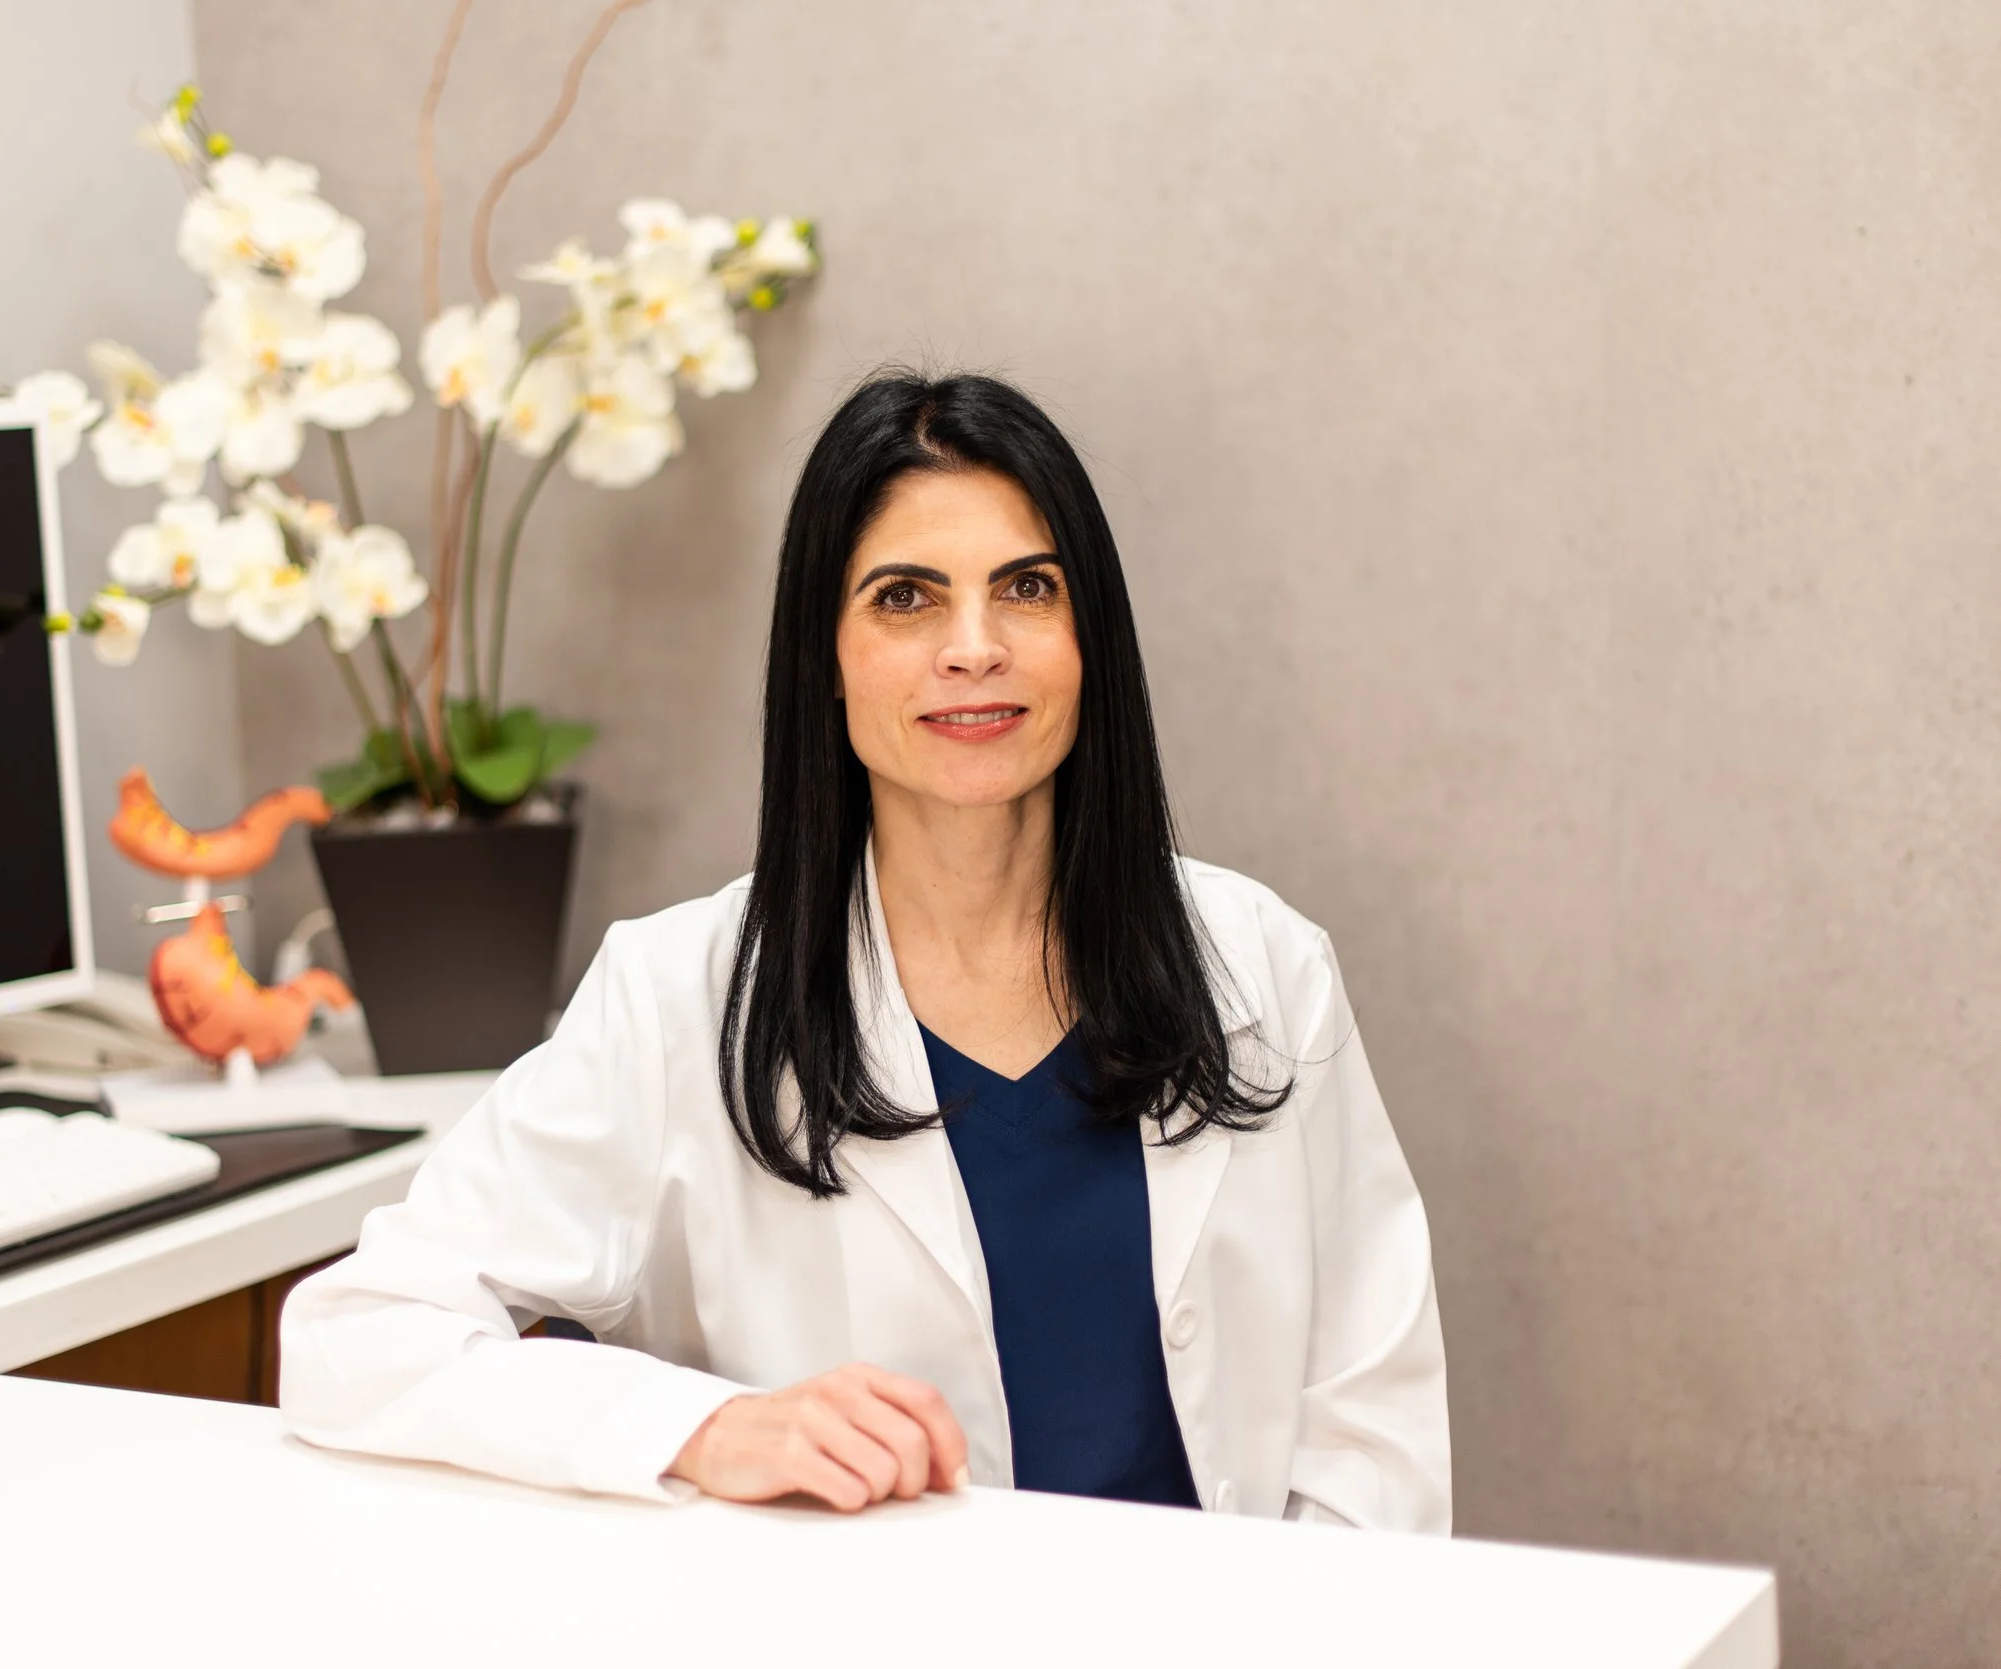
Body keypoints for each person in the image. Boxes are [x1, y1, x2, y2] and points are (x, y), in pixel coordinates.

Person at [280, 370, 1449, 1528]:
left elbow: (1371, 1433)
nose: (974, 646)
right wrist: (703, 1429)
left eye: (1027, 589)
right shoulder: (676, 997)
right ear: (824, 658)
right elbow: (363, 1335)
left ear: (1090, 637)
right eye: (905, 597)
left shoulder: (1264, 967)